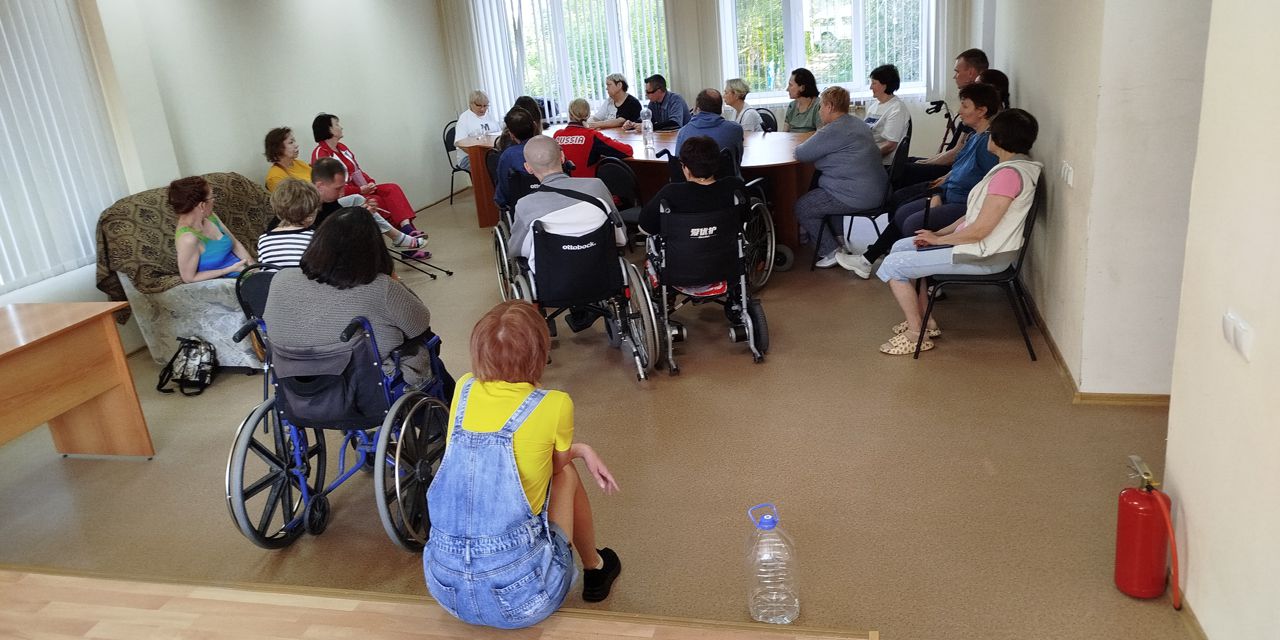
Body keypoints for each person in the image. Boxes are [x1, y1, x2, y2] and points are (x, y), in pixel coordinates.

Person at [423, 300, 621, 629]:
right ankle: (595, 567)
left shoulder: (464, 389)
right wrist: (583, 450)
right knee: (566, 473)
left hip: (446, 590)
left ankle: (593, 566)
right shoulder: (554, 404)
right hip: (522, 600)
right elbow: (555, 467)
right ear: (540, 352)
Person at [874, 108, 1041, 355]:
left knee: (893, 265)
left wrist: (938, 239)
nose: (988, 137)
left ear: (999, 139)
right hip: (978, 245)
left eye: (991, 133)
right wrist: (937, 235)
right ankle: (926, 321)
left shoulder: (1008, 176)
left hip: (985, 255)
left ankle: (916, 333)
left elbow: (980, 230)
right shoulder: (1012, 168)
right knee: (902, 246)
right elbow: (972, 217)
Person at [262, 207, 446, 389]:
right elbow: (420, 324)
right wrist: (394, 280)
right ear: (373, 250)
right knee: (428, 349)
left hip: (297, 385)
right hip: (365, 386)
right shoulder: (380, 286)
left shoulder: (281, 279)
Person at [838, 83, 1002, 277]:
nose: (960, 111)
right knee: (902, 211)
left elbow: (984, 186)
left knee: (910, 223)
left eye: (965, 106)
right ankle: (868, 260)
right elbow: (957, 171)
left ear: (982, 111)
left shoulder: (987, 145)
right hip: (949, 194)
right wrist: (938, 191)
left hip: (963, 204)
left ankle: (922, 274)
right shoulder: (975, 137)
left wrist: (940, 193)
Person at [792, 86, 886, 268]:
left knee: (803, 207)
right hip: (876, 189)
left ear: (829, 106)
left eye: (821, 106)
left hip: (857, 194)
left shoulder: (833, 130)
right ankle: (838, 241)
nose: (819, 111)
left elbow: (801, 153)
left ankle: (831, 252)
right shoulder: (857, 123)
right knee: (820, 194)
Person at [508, 136, 625, 267]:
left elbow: (517, 249)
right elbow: (620, 234)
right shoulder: (596, 186)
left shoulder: (525, 204)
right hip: (603, 265)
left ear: (528, 168)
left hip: (555, 273)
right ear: (562, 157)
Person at [309, 113, 423, 236]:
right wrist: (360, 190)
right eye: (337, 124)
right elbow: (332, 186)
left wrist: (370, 182)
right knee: (377, 201)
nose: (341, 127)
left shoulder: (342, 147)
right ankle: (406, 237)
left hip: (362, 188)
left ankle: (407, 228)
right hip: (345, 194)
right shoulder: (321, 153)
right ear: (328, 129)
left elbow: (357, 170)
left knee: (392, 188)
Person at [899, 48, 989, 186]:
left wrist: (926, 163)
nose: (954, 77)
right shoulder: (972, 110)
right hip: (952, 166)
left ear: (971, 73)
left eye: (957, 72)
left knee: (903, 170)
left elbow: (956, 154)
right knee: (906, 161)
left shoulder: (977, 114)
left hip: (953, 170)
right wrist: (926, 161)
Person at [311, 157, 429, 258]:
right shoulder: (309, 208)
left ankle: (398, 237)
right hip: (325, 252)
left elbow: (337, 213)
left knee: (359, 200)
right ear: (320, 186)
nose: (342, 192)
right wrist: (360, 216)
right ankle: (398, 241)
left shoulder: (329, 199)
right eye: (338, 188)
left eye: (343, 187)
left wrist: (363, 212)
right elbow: (333, 230)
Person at [639, 135, 745, 236]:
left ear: (686, 168)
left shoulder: (671, 193)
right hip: (727, 247)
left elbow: (645, 228)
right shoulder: (734, 186)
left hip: (680, 248)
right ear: (717, 163)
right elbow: (745, 218)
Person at [168, 176, 250, 282]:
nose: (214, 200)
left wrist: (254, 267)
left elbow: (235, 243)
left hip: (246, 273)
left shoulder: (211, 216)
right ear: (202, 206)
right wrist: (229, 269)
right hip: (229, 283)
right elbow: (189, 278)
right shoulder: (188, 239)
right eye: (212, 197)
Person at [553, 98, 633, 178]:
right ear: (588, 115)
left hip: (561, 183)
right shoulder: (592, 135)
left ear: (570, 114)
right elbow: (627, 151)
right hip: (587, 184)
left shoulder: (557, 135)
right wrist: (614, 141)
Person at [257, 178, 320, 268]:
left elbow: (263, 270)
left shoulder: (263, 240)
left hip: (274, 278)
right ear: (310, 215)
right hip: (301, 277)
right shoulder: (315, 238)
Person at [675, 89, 744, 162]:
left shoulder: (683, 132)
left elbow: (678, 162)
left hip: (694, 169)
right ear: (720, 108)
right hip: (725, 169)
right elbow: (738, 159)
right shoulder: (736, 130)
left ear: (697, 108)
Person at [494, 108, 541, 209]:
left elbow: (504, 190)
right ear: (534, 125)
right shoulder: (551, 146)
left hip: (521, 208)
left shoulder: (507, 156)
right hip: (554, 203)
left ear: (511, 134)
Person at [865, 64, 909, 165]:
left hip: (885, 164)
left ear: (884, 85)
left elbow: (890, 145)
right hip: (870, 159)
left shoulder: (897, 108)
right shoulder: (873, 107)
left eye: (874, 83)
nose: (870, 87)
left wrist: (865, 157)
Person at [455, 90, 501, 170]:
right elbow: (459, 143)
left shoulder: (490, 116)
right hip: (469, 157)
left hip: (490, 153)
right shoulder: (464, 119)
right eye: (479, 105)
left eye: (485, 106)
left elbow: (499, 135)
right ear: (471, 104)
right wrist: (481, 155)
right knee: (491, 164)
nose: (482, 109)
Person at [264, 127, 311, 192]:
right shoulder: (274, 177)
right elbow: (291, 198)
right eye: (291, 142)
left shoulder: (299, 163)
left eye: (294, 141)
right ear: (277, 148)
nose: (296, 145)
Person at [783, 68, 821, 133]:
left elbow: (820, 134)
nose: (787, 89)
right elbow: (784, 132)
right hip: (791, 139)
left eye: (790, 85)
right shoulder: (792, 105)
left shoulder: (819, 105)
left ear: (802, 88)